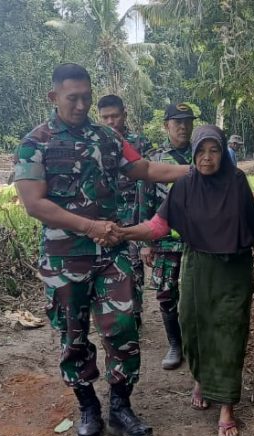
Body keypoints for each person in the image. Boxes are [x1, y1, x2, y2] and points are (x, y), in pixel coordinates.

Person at [13, 63, 189, 436]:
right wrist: (89, 226)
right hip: (65, 258)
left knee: (124, 327)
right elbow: (33, 203)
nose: (80, 105)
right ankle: (88, 406)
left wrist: (197, 169)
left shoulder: (107, 138)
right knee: (72, 335)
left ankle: (121, 407)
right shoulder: (35, 143)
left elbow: (143, 168)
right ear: (54, 97)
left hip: (112, 252)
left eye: (86, 97)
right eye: (72, 98)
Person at [120, 125, 254, 436]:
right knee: (192, 325)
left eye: (214, 150)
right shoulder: (185, 184)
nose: (207, 158)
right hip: (197, 265)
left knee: (229, 331)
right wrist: (124, 233)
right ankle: (201, 378)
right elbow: (158, 226)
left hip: (233, 269)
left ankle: (226, 406)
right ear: (193, 154)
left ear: (223, 153)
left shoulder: (236, 183)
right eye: (201, 151)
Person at [144, 103, 196, 371]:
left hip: (198, 240)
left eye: (187, 121)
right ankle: (175, 344)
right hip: (165, 240)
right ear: (166, 126)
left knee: (198, 293)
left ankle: (196, 344)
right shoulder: (155, 158)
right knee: (166, 292)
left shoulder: (204, 153)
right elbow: (147, 200)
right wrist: (146, 243)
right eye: (177, 122)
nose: (183, 127)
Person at [97, 94, 151, 329]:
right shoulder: (97, 143)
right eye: (105, 117)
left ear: (124, 115)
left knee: (134, 264)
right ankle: (115, 310)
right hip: (107, 216)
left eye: (115, 116)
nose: (110, 121)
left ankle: (134, 310)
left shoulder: (139, 143)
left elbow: (149, 181)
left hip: (135, 213)